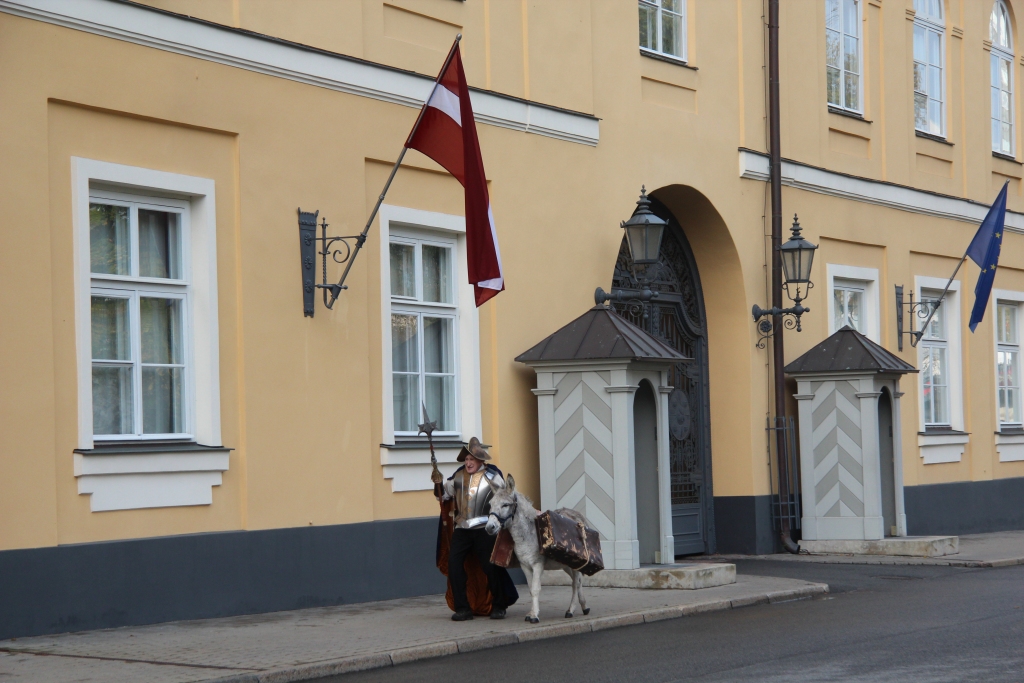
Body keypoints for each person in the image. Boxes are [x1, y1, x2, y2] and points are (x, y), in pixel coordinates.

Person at [441, 437, 508, 621]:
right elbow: (444, 494)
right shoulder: (458, 476)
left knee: (490, 566)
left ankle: (499, 605)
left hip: (485, 528)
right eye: (466, 460)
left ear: (480, 460)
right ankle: (463, 608)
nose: (468, 463)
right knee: (454, 565)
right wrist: (438, 484)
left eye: (471, 459)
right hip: (462, 528)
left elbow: (505, 496)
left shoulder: (493, 476)